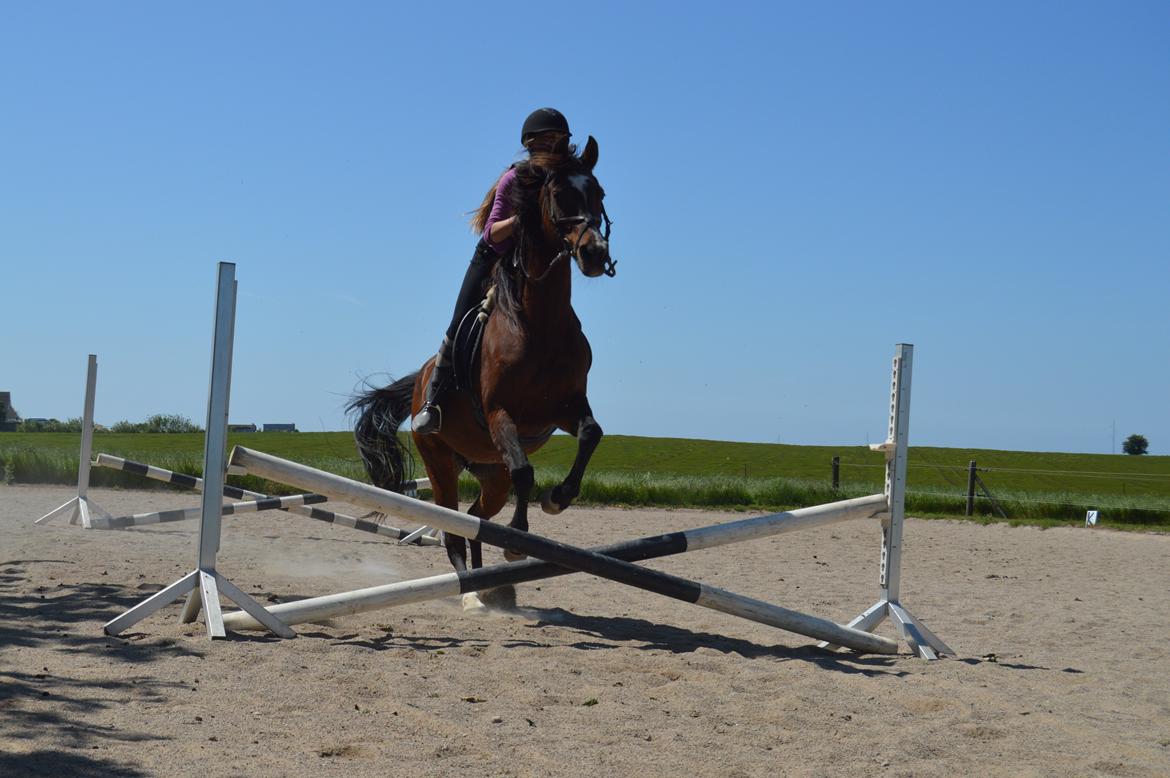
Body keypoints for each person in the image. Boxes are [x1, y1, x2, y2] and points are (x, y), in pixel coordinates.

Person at [412, 107, 575, 434]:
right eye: (547, 140)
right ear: (530, 145)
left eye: (558, 139)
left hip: (533, 267)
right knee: (459, 323)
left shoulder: (565, 180)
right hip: (494, 259)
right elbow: (491, 233)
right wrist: (522, 219)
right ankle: (433, 402)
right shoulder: (514, 179)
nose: (553, 145)